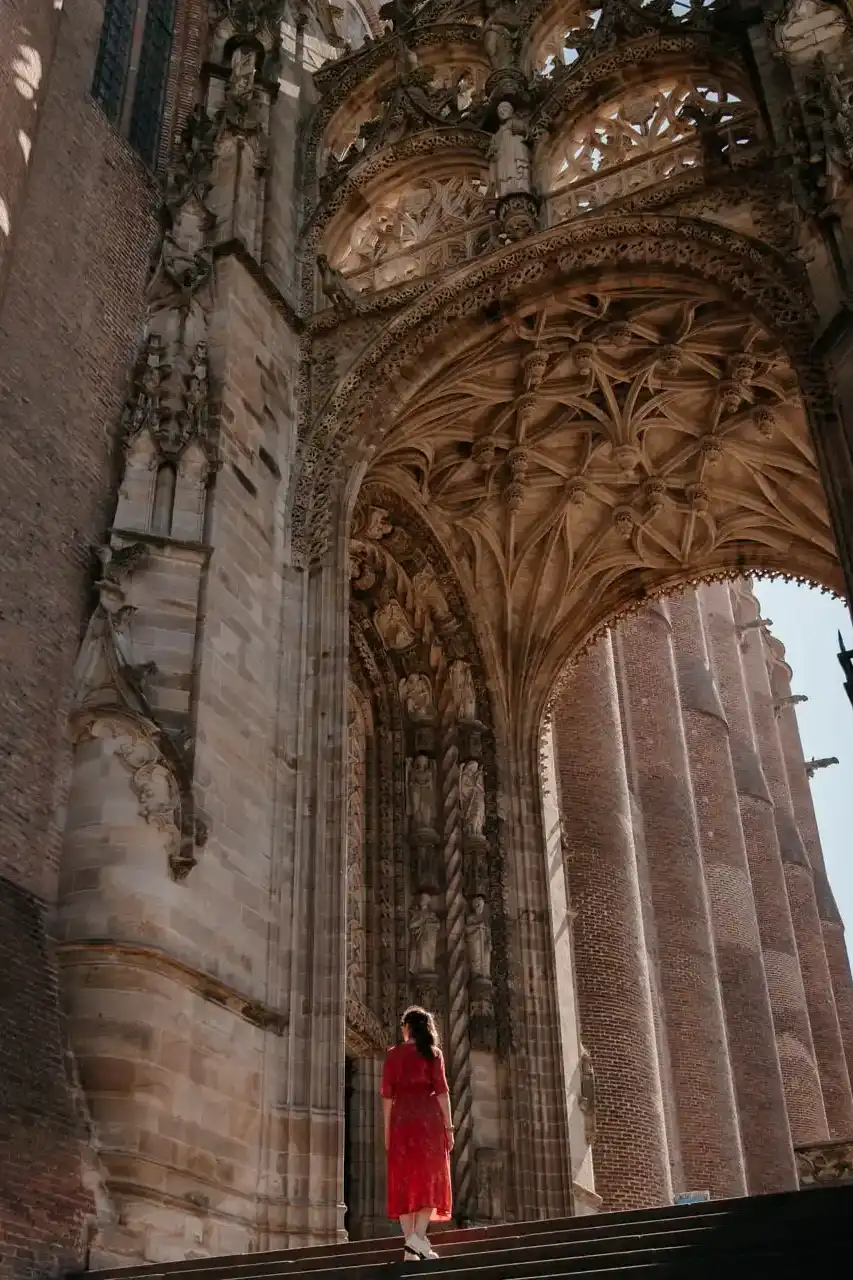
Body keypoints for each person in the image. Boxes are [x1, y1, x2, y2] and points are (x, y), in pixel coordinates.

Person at [380, 1006, 454, 1262]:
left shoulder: (393, 1056)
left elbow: (387, 1098)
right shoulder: (434, 1054)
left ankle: (412, 1247)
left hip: (402, 1123)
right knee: (429, 1181)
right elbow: (443, 1093)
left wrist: (387, 1131)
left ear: (407, 1027)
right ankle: (417, 1242)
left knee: (404, 1182)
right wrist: (449, 1128)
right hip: (429, 1123)